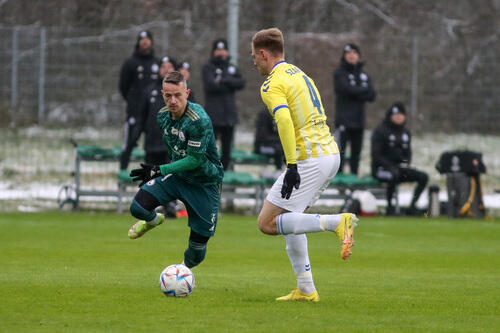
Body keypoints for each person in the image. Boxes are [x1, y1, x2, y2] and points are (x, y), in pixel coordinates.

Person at [251, 27, 358, 302]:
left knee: (267, 222)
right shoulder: (300, 74)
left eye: (254, 56)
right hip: (329, 153)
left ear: (264, 54)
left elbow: (285, 121)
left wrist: (292, 165)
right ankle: (306, 288)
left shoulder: (271, 83)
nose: (253, 62)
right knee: (291, 220)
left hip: (309, 159)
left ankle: (337, 222)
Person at [127, 71, 224, 271]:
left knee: (196, 252)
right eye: (168, 95)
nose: (172, 100)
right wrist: (163, 171)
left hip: (204, 183)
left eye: (178, 95)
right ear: (162, 94)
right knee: (137, 208)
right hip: (178, 177)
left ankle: (182, 271)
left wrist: (159, 169)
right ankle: (154, 221)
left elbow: (195, 160)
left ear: (187, 93)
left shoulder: (198, 120)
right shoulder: (163, 116)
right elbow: (175, 149)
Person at [371, 102, 429, 216]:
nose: (399, 117)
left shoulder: (405, 133)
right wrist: (390, 166)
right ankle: (390, 207)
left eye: (401, 115)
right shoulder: (381, 131)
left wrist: (406, 163)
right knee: (393, 174)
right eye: (396, 115)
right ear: (391, 116)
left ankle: (412, 206)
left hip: (399, 169)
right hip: (381, 169)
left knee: (423, 177)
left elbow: (408, 154)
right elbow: (376, 155)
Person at [119, 30, 160, 171]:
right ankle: (122, 173)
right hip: (135, 113)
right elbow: (123, 87)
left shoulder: (157, 63)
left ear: (151, 42)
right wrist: (133, 102)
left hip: (151, 116)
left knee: (153, 148)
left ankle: (153, 179)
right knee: (129, 144)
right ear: (138, 42)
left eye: (148, 39)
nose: (145, 42)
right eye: (142, 40)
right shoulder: (131, 63)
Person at [202, 38, 246, 170]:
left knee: (227, 148)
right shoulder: (208, 67)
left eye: (223, 49)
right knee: (210, 146)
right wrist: (229, 83)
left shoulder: (231, 67)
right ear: (213, 51)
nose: (221, 52)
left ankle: (225, 170)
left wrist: (224, 80)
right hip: (213, 115)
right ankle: (209, 170)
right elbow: (210, 86)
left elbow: (241, 82)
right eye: (218, 49)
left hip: (229, 115)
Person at [333, 43, 376, 175]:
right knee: (340, 153)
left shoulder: (364, 75)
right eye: (348, 53)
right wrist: (362, 91)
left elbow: (372, 95)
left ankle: (353, 183)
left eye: (354, 52)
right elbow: (345, 90)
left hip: (359, 121)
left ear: (358, 56)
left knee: (356, 154)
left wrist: (355, 91)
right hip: (344, 120)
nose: (352, 55)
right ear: (344, 56)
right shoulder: (339, 73)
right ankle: (338, 180)